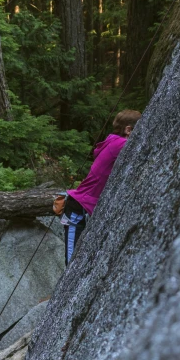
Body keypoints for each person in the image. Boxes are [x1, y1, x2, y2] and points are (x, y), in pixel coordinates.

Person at [63, 109, 141, 264]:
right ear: (128, 130)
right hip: (78, 208)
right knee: (71, 261)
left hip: (85, 207)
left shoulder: (112, 140)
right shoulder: (121, 144)